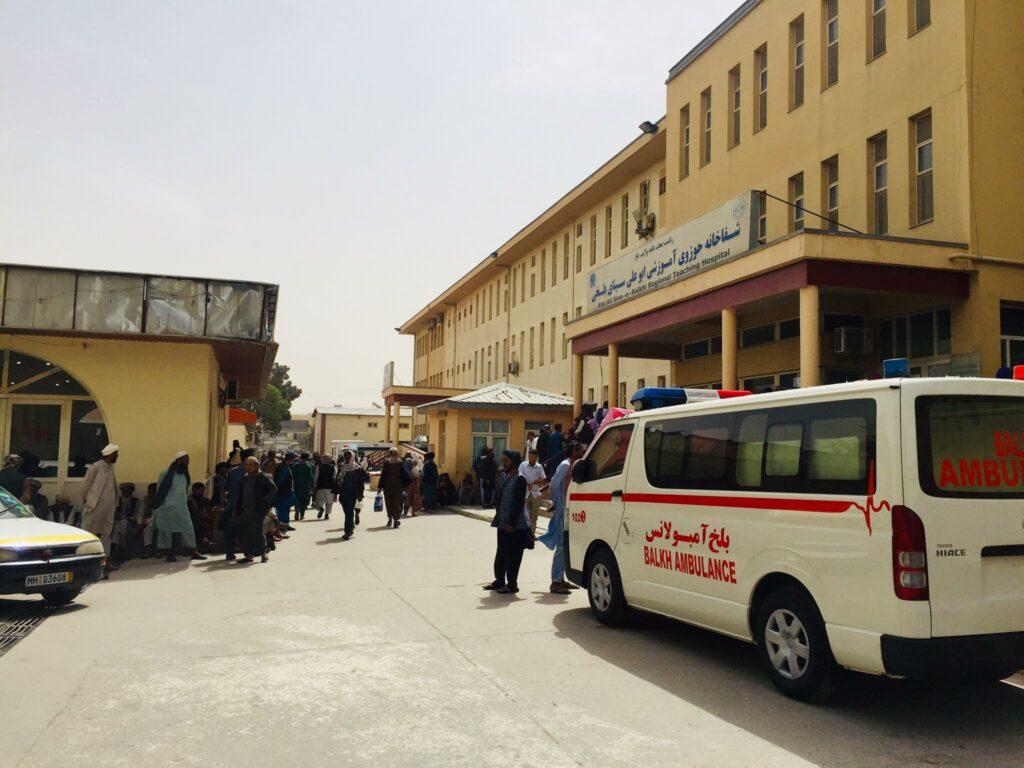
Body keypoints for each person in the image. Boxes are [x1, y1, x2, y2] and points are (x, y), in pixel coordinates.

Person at [538, 442, 583, 594]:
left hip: (568, 509)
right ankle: (555, 582)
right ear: (574, 450)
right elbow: (554, 485)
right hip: (563, 509)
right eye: (581, 449)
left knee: (566, 546)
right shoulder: (565, 465)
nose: (583, 451)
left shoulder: (573, 464)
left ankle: (561, 578)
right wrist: (558, 503)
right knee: (561, 546)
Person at [483, 451, 529, 595]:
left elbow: (518, 503)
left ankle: (512, 584)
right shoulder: (505, 477)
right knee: (501, 552)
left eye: (506, 461)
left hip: (514, 525)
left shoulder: (520, 479)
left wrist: (511, 522)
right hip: (502, 522)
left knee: (513, 555)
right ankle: (499, 580)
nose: (504, 463)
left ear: (514, 463)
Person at [152, 451, 207, 563]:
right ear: (179, 461)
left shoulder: (185, 474)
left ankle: (194, 552)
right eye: (185, 460)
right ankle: (169, 554)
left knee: (188, 529)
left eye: (188, 460)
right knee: (168, 531)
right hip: (168, 508)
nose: (188, 462)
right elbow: (160, 490)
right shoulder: (165, 473)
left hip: (182, 507)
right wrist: (160, 505)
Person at [80, 444, 119, 575]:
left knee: (106, 535)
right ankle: (86, 563)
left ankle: (105, 561)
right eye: (116, 454)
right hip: (94, 508)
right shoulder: (95, 468)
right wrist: (88, 503)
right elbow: (85, 488)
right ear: (111, 454)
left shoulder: (110, 467)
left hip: (108, 509)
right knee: (90, 533)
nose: (117, 456)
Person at [234, 455, 277, 563]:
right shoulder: (245, 477)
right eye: (246, 465)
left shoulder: (264, 477)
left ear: (257, 465)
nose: (248, 467)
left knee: (256, 532)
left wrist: (265, 502)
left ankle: (263, 553)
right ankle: (248, 555)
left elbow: (273, 489)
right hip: (244, 509)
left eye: (250, 465)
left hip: (257, 509)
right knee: (243, 532)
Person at [111, 482, 141, 567]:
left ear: (131, 492)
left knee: (121, 526)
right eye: (123, 491)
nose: (125, 493)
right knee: (118, 526)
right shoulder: (118, 501)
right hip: (118, 523)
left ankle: (115, 549)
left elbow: (139, 514)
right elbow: (114, 514)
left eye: (127, 491)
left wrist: (138, 525)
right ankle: (121, 550)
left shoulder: (137, 502)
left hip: (130, 523)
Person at [518, 449, 548, 536]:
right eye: (531, 457)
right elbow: (519, 475)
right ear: (528, 456)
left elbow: (543, 479)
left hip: (535, 494)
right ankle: (523, 535)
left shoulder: (539, 466)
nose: (532, 459)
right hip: (525, 493)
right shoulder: (523, 465)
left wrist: (534, 482)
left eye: (534, 458)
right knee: (523, 515)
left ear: (536, 457)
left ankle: (532, 535)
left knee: (533, 517)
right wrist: (526, 483)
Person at [378, 448, 408, 528]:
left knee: (396, 503)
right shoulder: (387, 463)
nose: (394, 455)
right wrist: (380, 487)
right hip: (387, 487)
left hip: (398, 487)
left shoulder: (400, 463)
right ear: (390, 454)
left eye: (395, 454)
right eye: (392, 454)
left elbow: (404, 475)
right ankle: (390, 518)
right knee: (389, 503)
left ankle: (396, 520)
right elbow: (383, 475)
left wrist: (406, 485)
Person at [335, 450, 363, 539]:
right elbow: (337, 479)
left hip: (352, 493)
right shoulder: (342, 466)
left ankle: (347, 531)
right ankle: (350, 527)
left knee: (349, 513)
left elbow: (360, 482)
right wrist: (335, 493)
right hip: (343, 494)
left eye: (348, 457)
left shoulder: (357, 468)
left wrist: (360, 495)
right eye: (345, 457)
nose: (347, 459)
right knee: (347, 512)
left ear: (352, 458)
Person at [272, 452, 296, 531]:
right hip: (282, 492)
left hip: (285, 492)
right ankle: (281, 526)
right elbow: (280, 481)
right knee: (282, 509)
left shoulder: (285, 466)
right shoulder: (283, 467)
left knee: (286, 509)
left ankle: (285, 525)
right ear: (290, 459)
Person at [292, 452, 314, 521]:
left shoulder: (295, 466)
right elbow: (310, 478)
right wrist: (312, 486)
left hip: (296, 486)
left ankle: (297, 511)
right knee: (304, 501)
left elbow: (292, 476)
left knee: (297, 499)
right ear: (307, 458)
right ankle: (302, 514)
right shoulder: (308, 467)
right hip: (305, 486)